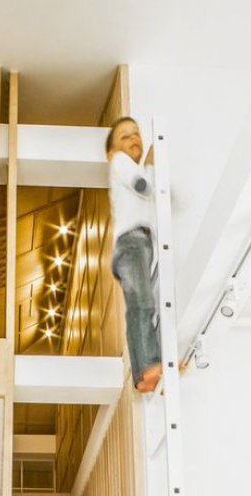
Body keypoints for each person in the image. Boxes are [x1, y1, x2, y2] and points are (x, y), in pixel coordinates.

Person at [106, 116, 162, 394]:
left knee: (139, 306)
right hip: (131, 242)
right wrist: (151, 166)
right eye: (124, 136)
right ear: (112, 151)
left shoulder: (127, 171)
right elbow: (143, 187)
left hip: (134, 243)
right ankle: (149, 366)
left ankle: (144, 375)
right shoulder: (120, 163)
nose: (133, 138)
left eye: (136, 133)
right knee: (142, 304)